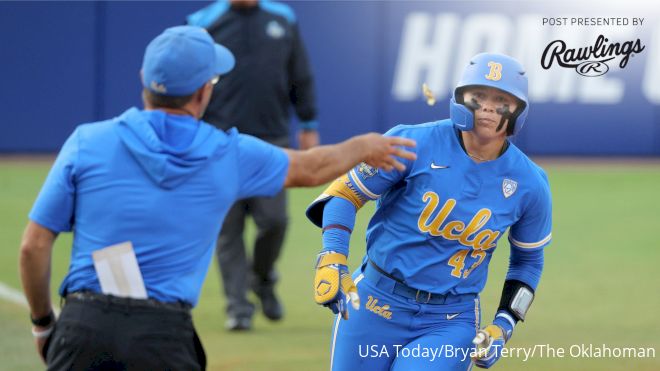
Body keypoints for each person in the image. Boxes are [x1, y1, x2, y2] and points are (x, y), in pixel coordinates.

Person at [18, 25, 416, 371]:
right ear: (203, 92)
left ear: (143, 78)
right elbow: (310, 168)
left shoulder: (87, 142)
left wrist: (42, 323)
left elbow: (34, 245)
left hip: (82, 327)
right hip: (163, 339)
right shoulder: (228, 154)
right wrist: (364, 145)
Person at [306, 53, 552, 370]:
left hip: (450, 320)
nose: (488, 108)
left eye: (501, 100)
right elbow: (345, 193)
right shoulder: (413, 142)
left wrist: (504, 324)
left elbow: (529, 261)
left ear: (519, 110)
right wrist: (333, 255)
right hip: (373, 302)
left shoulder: (530, 183)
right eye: (478, 96)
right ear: (460, 98)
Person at [186, 0, 319, 330]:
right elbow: (190, 80)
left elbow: (299, 73)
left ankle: (262, 278)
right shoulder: (203, 21)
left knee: (274, 221)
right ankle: (238, 308)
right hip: (218, 142)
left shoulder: (283, 18)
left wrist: (308, 123)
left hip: (270, 140)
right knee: (227, 229)